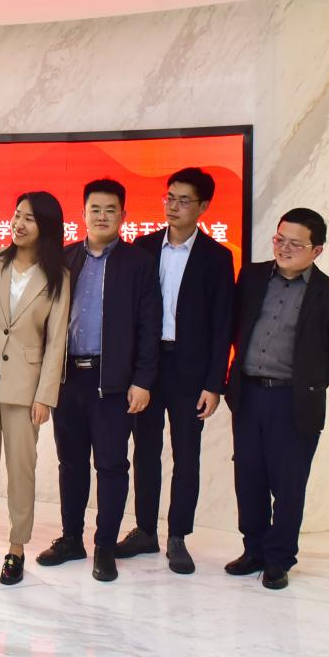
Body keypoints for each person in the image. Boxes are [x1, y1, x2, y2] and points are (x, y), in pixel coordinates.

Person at [36, 178, 160, 582]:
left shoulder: (138, 262)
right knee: (70, 463)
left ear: (123, 215)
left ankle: (104, 546)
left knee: (111, 465)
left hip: (113, 383)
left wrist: (143, 380)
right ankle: (72, 539)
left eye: (110, 210)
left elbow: (149, 326)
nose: (102, 216)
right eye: (95, 209)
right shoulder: (65, 258)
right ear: (84, 213)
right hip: (68, 378)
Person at [224, 208, 329, 590]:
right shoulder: (251, 277)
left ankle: (279, 559)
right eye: (280, 239)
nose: (284, 248)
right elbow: (234, 327)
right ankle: (253, 550)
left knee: (288, 483)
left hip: (293, 402)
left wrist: (307, 385)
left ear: (317, 250)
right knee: (249, 477)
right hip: (248, 395)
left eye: (295, 244)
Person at [117, 168, 234, 574]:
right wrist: (133, 372)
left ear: (203, 207)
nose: (173, 206)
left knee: (186, 456)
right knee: (145, 451)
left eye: (184, 200)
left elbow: (222, 325)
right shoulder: (144, 247)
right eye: (170, 197)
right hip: (148, 368)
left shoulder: (217, 258)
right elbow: (131, 313)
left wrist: (214, 384)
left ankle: (178, 536)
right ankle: (145, 530)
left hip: (190, 372)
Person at [0, 192, 69, 586]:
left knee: (22, 471)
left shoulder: (58, 277)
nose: (18, 224)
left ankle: (16, 548)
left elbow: (56, 341)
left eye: (29, 219)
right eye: (17, 215)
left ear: (46, 227)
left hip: (25, 387)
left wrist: (45, 396)